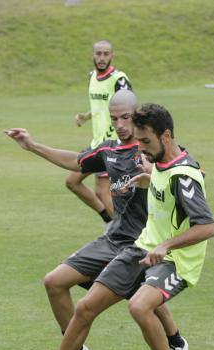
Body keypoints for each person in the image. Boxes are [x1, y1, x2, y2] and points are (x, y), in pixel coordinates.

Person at [13, 104, 214, 350]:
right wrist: (149, 180)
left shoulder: (185, 175)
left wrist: (167, 246)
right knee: (85, 308)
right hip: (140, 248)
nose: (141, 149)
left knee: (139, 306)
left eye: (146, 142)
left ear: (167, 136)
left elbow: (208, 227)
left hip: (177, 259)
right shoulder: (158, 163)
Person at [67, 40, 132, 224]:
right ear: (93, 55)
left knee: (103, 192)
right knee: (72, 182)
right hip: (97, 144)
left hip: (112, 145)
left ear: (112, 56)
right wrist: (86, 117)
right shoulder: (93, 77)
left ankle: (123, 236)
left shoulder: (119, 79)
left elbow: (130, 109)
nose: (102, 58)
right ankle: (110, 223)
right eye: (98, 54)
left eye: (106, 54)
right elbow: (100, 106)